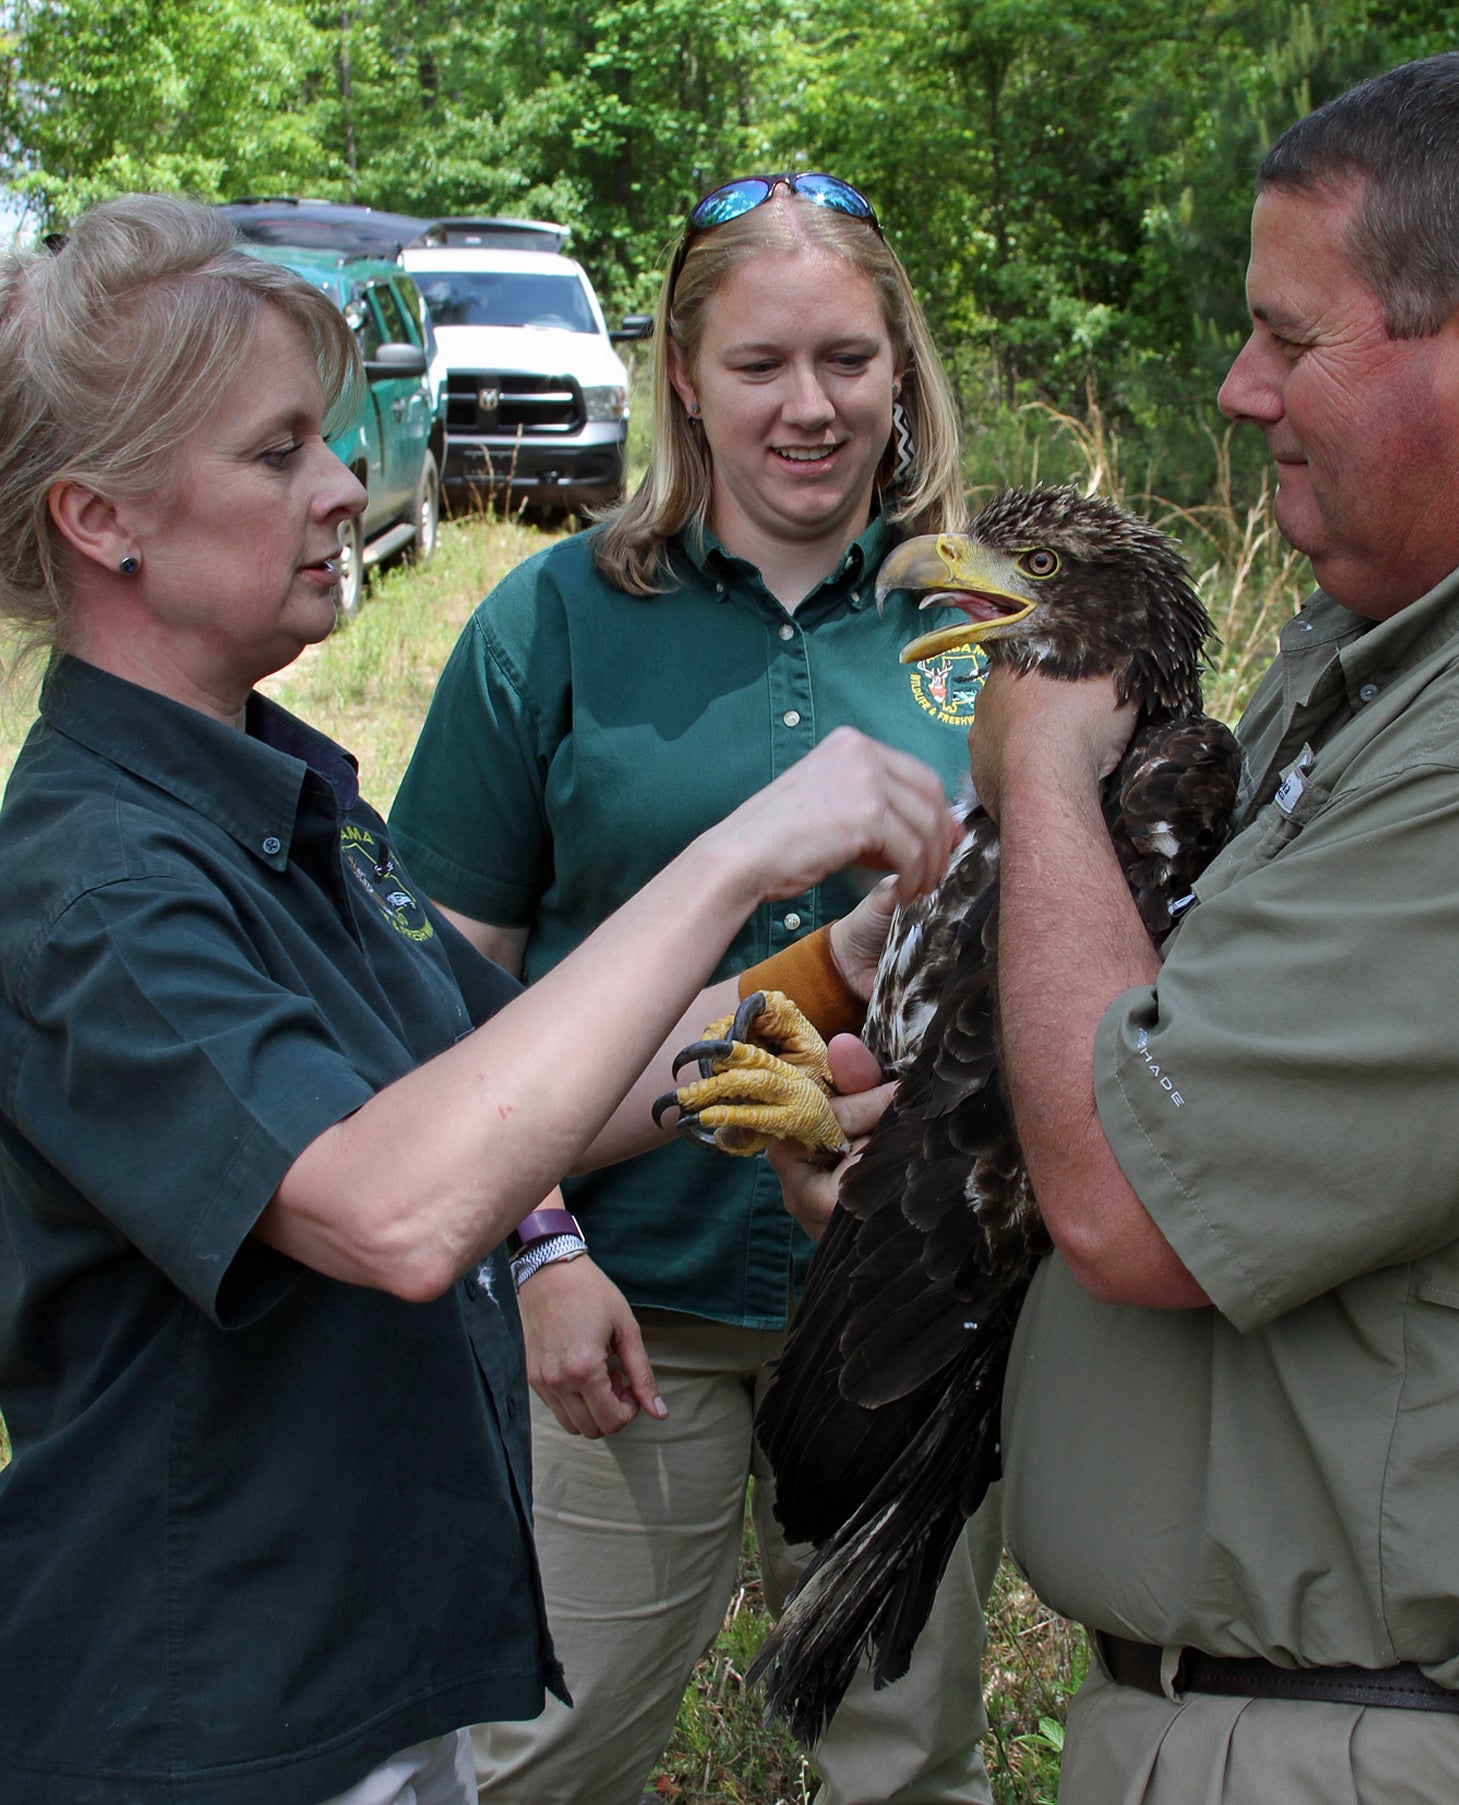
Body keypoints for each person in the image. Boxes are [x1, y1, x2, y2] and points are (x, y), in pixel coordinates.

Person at [789, 51, 1459, 1805]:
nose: (1241, 388)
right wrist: (943, 1168)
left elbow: (1134, 1190)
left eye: (1289, 336)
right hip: (1333, 1721)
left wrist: (1043, 767)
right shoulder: (1429, 632)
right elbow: (1195, 1054)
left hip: (1386, 1746)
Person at [0, 194, 960, 1805]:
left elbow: (526, 1088)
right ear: (104, 520)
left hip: (365, 1681)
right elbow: (397, 1206)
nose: (342, 485)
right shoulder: (101, 882)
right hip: (208, 1722)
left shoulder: (283, 809)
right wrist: (736, 853)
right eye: (277, 452)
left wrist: (837, 959)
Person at [385, 174, 999, 1805]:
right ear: (679, 374)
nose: (811, 407)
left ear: (901, 367)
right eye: (760, 364)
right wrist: (539, 1245)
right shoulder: (551, 622)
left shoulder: (988, 625)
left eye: (848, 360)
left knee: (907, 1760)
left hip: (896, 1307)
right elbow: (432, 1001)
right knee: (545, 1754)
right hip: (618, 1307)